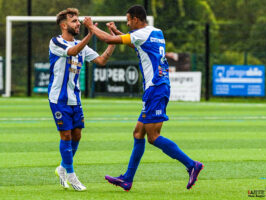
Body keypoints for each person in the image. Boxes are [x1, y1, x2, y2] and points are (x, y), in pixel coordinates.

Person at [83, 5, 203, 191]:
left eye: (129, 20)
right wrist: (117, 32)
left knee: (153, 137)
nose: (128, 23)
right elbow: (137, 44)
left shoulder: (141, 34)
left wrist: (91, 26)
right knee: (138, 133)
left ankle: (191, 165)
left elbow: (107, 39)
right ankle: (127, 179)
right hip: (158, 88)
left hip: (155, 88)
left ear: (137, 19)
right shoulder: (157, 32)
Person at [49, 8, 115, 191]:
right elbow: (73, 51)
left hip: (75, 99)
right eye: (73, 21)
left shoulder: (82, 45)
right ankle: (71, 175)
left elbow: (101, 61)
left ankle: (62, 168)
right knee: (66, 135)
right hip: (58, 98)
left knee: (77, 135)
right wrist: (91, 32)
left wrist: (112, 42)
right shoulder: (56, 42)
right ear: (64, 25)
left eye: (78, 21)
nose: (77, 23)